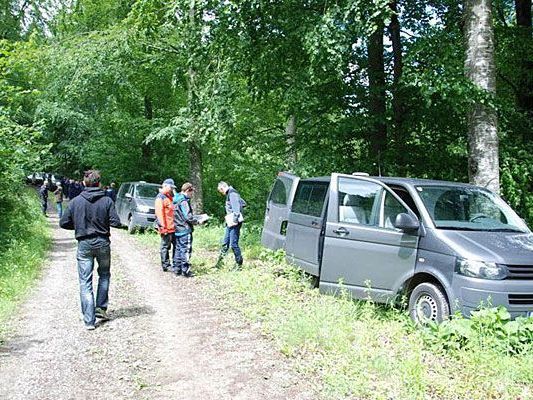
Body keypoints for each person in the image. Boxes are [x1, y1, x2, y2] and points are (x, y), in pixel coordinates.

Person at [59, 170, 121, 330]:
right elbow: (116, 222)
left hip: (84, 244)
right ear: (99, 183)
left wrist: (79, 225)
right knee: (104, 275)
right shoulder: (107, 201)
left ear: (84, 183)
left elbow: (63, 223)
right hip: (102, 242)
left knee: (85, 282)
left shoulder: (75, 201)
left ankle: (89, 320)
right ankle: (100, 308)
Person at [173, 182, 202, 277]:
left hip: (177, 228)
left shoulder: (176, 200)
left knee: (178, 249)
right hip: (185, 230)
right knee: (185, 250)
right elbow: (188, 217)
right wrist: (197, 221)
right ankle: (185, 271)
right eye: (191, 192)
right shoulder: (183, 202)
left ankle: (177, 269)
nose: (192, 194)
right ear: (187, 190)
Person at [216, 181, 246, 267]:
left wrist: (234, 219)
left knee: (233, 244)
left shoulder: (232, 194)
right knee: (225, 242)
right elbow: (243, 203)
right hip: (230, 222)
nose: (221, 193)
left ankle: (239, 264)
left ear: (222, 188)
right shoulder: (231, 193)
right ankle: (219, 263)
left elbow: (236, 210)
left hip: (234, 223)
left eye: (220, 191)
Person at [155, 178, 176, 272]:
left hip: (172, 227)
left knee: (174, 245)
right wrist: (163, 227)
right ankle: (166, 265)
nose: (172, 189)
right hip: (166, 228)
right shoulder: (160, 197)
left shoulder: (169, 196)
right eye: (171, 187)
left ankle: (174, 263)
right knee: (165, 247)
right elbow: (159, 213)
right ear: (166, 186)